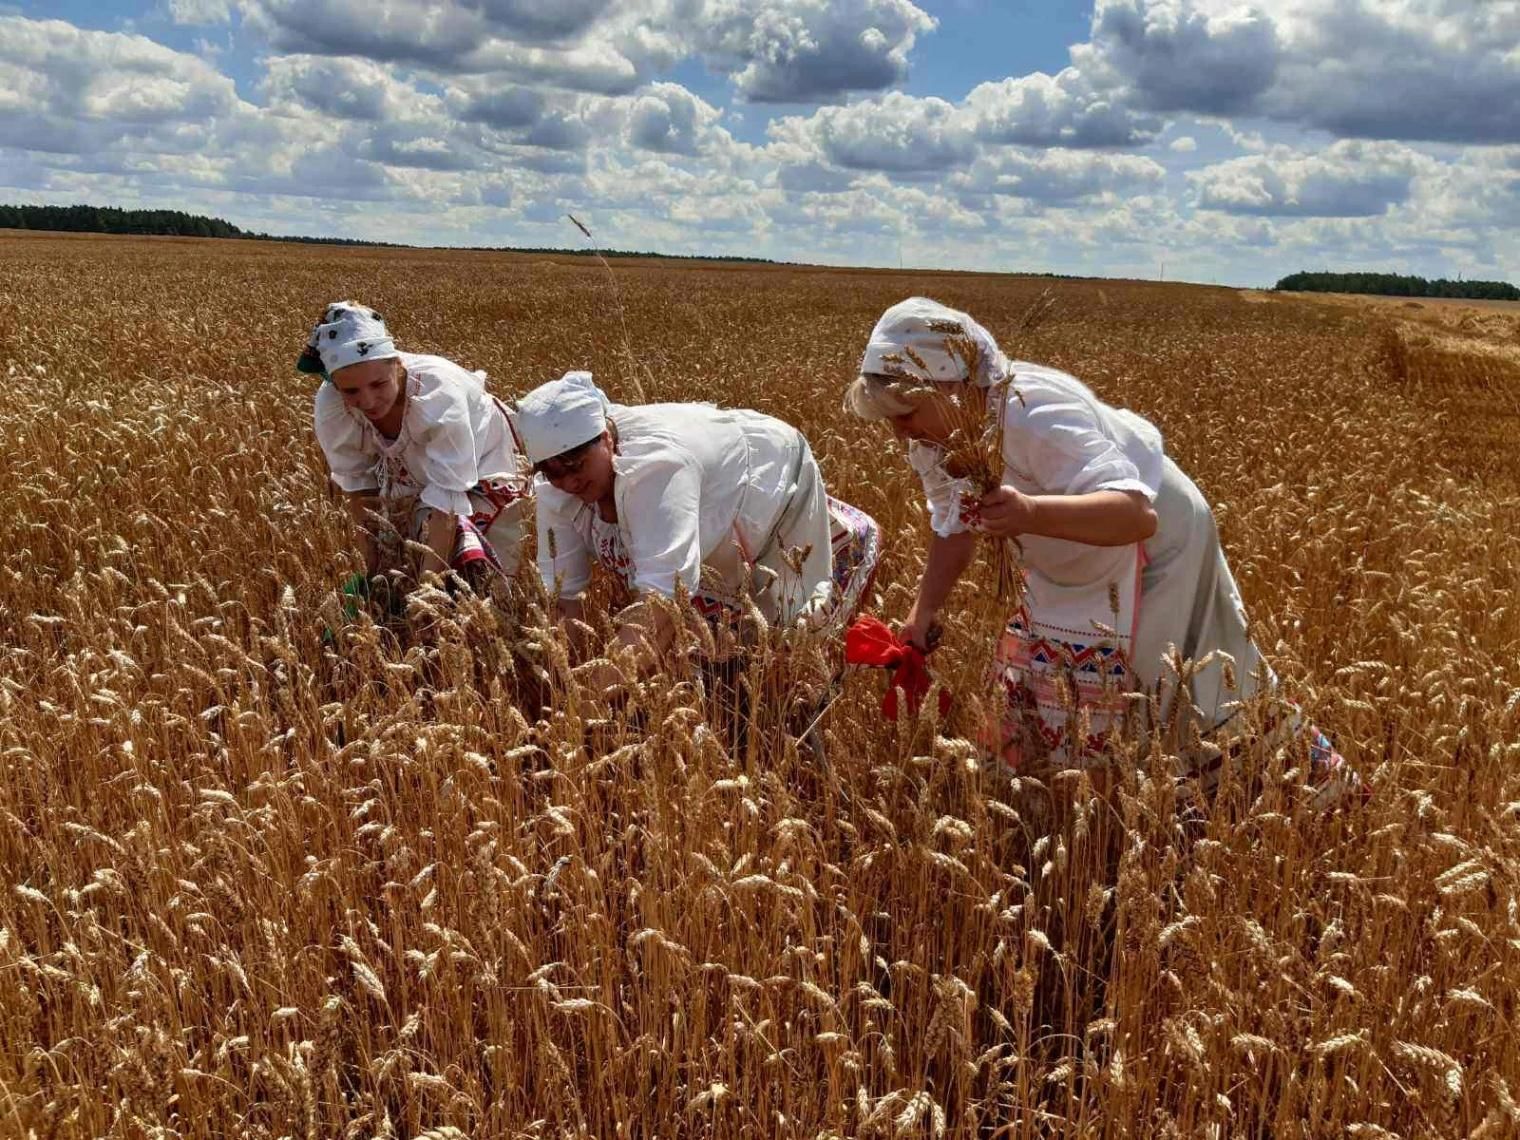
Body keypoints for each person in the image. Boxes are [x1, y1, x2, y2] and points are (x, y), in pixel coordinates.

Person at [843, 296, 1358, 801]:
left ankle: (1293, 795)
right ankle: (1092, 804)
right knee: (1051, 674)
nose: (898, 431)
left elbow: (1135, 513)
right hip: (1069, 554)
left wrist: (1030, 514)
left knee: (1172, 685)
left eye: (907, 412)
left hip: (1156, 548)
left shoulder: (1032, 411)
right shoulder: (935, 440)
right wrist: (924, 609)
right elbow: (952, 524)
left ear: (952, 386)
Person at [513, 371, 880, 679]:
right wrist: (561, 678)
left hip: (766, 478)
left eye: (576, 465)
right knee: (707, 629)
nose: (568, 483)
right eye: (553, 473)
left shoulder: (657, 469)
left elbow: (663, 599)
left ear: (606, 439)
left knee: (785, 636)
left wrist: (592, 699)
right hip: (694, 487)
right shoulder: (555, 489)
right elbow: (565, 597)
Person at [297, 301, 529, 591]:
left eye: (379, 384)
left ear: (398, 363)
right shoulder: (332, 405)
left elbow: (446, 504)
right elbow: (360, 490)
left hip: (487, 463)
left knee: (489, 578)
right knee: (406, 558)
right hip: (416, 471)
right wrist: (371, 575)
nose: (367, 402)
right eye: (351, 391)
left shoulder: (437, 394)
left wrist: (428, 593)